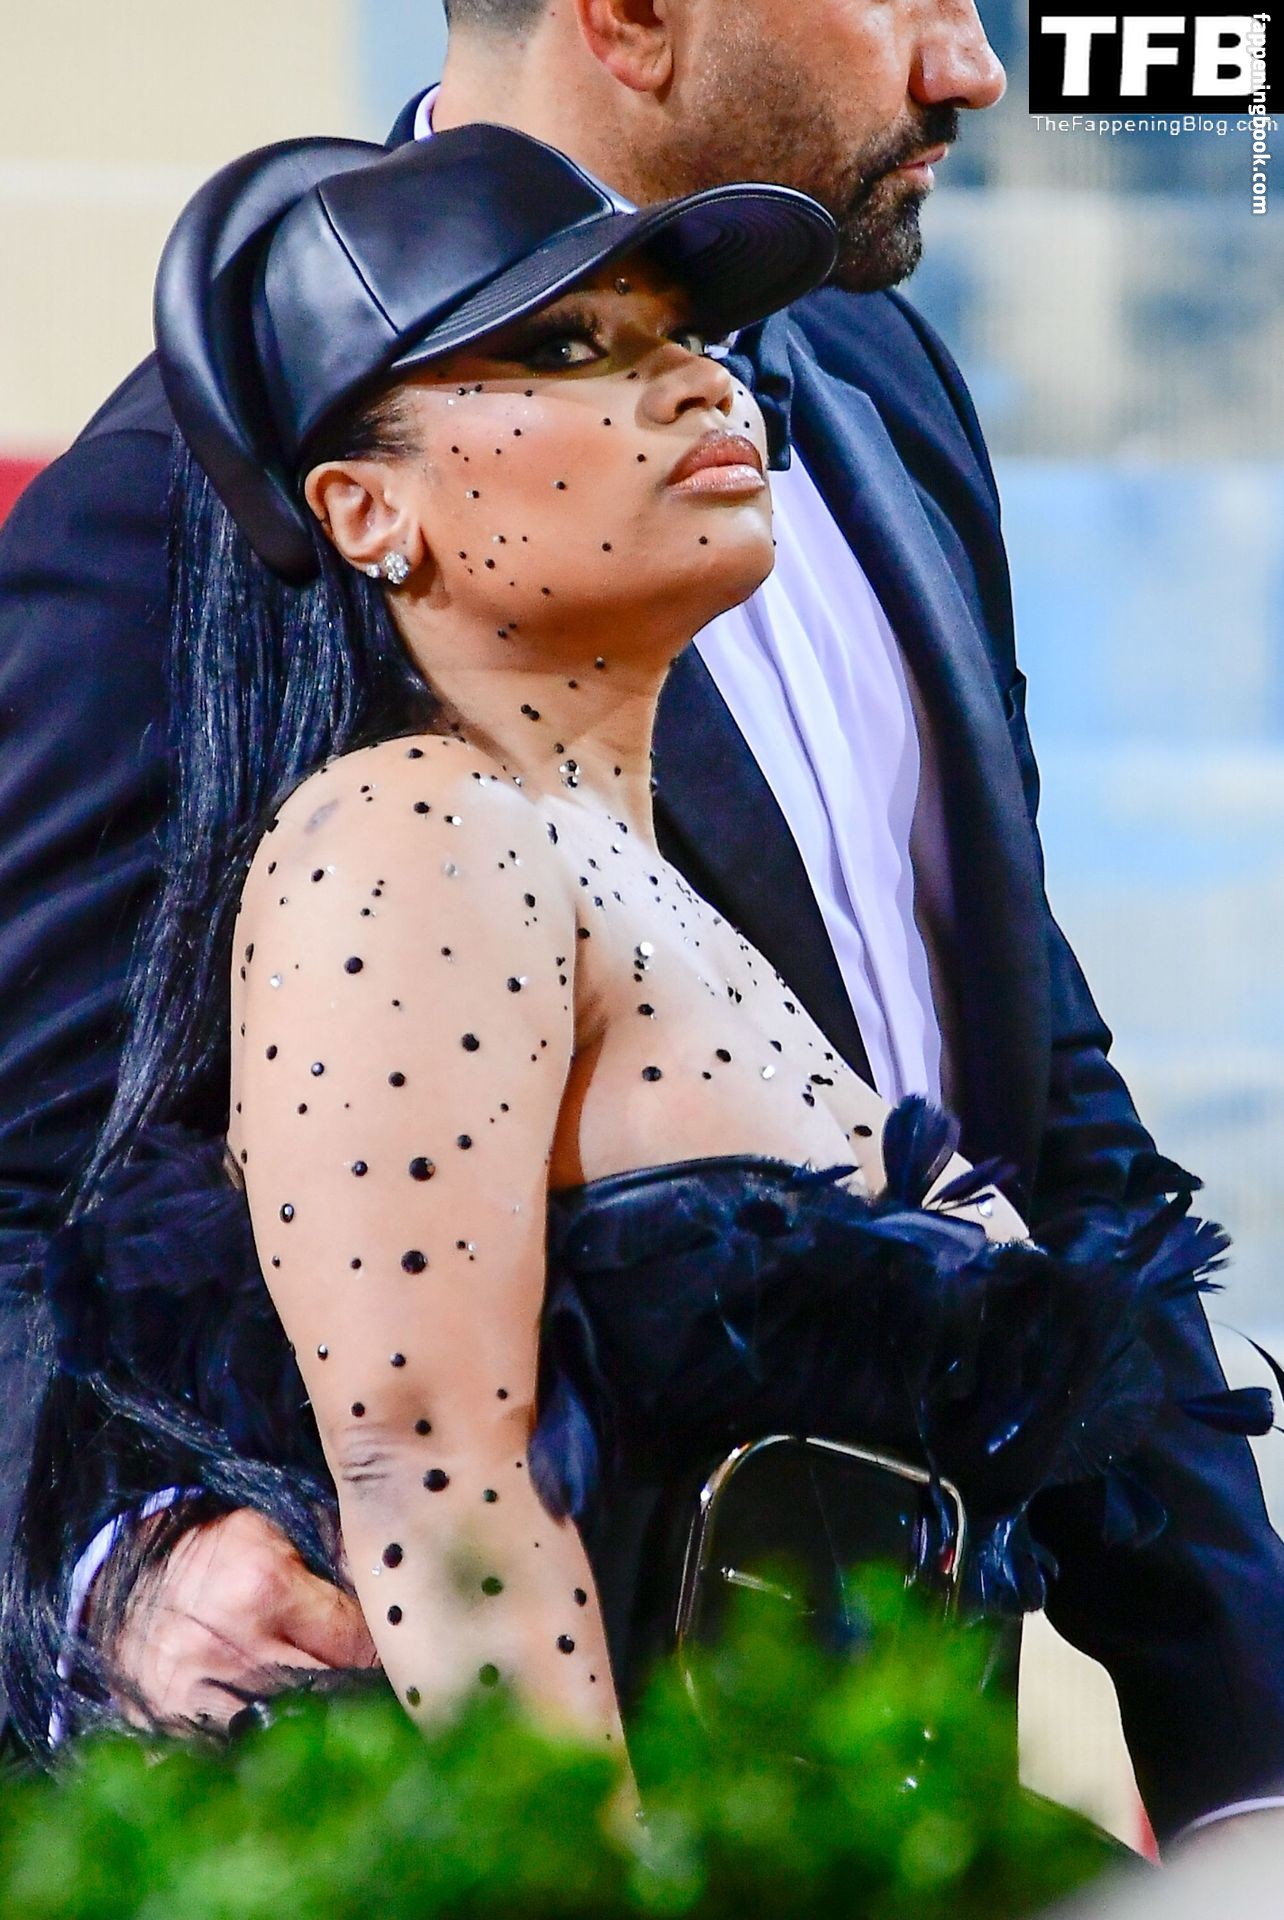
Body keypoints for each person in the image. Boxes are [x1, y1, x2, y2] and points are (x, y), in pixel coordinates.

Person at [0, 0, 1280, 1843]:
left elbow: (1041, 1104)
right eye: (573, 346)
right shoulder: (276, 645)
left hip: (850, 1796)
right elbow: (395, 1449)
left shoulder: (879, 387)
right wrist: (120, 1563)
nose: (976, 63)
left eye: (677, 336)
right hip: (545, 1793)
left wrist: (1244, 1773)